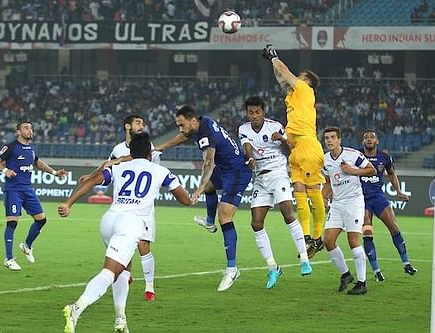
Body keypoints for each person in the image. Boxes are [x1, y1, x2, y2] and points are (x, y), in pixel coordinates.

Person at [59, 132, 191, 333]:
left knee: (124, 269)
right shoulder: (161, 171)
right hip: (130, 224)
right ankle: (76, 308)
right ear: (149, 152)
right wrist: (194, 197)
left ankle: (120, 319)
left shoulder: (118, 167)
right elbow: (184, 199)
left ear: (130, 151)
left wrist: (69, 203)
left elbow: (93, 180)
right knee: (109, 272)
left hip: (109, 220)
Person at [155, 106, 252, 292]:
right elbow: (184, 136)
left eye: (181, 125)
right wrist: (162, 147)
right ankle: (209, 222)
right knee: (210, 186)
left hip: (236, 171)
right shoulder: (201, 122)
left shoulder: (206, 133)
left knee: (224, 217)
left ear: (192, 121)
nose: (180, 129)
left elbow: (209, 162)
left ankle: (232, 269)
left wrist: (198, 188)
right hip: (225, 168)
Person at [79, 114, 162, 301]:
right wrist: (91, 175)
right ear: (127, 126)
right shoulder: (117, 148)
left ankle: (150, 287)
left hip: (143, 206)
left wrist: (124, 160)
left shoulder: (148, 148)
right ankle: (125, 273)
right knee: (124, 241)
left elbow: (148, 167)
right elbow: (107, 164)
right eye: (138, 122)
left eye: (142, 123)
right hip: (122, 206)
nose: (142, 125)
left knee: (143, 244)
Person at [238, 96, 312, 289]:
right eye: (251, 112)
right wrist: (250, 159)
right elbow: (247, 149)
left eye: (258, 112)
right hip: (260, 179)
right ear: (247, 113)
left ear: (263, 112)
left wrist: (282, 140)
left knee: (288, 214)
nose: (254, 116)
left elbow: (289, 153)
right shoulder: (243, 129)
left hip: (279, 174)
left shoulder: (275, 126)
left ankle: (304, 259)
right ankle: (273, 267)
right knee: (256, 223)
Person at [262, 44, 326, 258]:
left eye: (300, 76)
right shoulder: (294, 96)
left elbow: (285, 72)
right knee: (299, 192)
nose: (295, 78)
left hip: (308, 145)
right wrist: (272, 62)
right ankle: (307, 238)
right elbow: (281, 77)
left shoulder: (305, 90)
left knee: (313, 192)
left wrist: (274, 56)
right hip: (296, 148)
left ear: (306, 80)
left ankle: (318, 238)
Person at [0, 121, 68, 271]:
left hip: (28, 190)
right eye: (26, 128)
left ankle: (27, 245)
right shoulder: (11, 146)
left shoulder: (30, 149)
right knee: (12, 222)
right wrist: (5, 170)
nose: (30, 130)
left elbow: (38, 163)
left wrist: (54, 172)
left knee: (41, 220)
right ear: (18, 132)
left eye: (31, 128)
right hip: (13, 190)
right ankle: (8, 259)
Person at [322, 127, 376, 295]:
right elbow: (328, 182)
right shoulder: (325, 160)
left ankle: (362, 283)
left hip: (354, 202)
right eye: (326, 138)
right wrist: (324, 197)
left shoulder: (352, 155)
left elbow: (372, 170)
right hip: (337, 204)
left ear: (339, 139)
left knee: (353, 240)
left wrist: (353, 171)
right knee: (328, 241)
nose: (329, 140)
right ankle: (346, 275)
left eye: (332, 137)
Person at [360, 129, 418, 281]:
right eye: (366, 137)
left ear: (377, 141)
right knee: (367, 233)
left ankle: (406, 263)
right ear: (363, 141)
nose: (369, 139)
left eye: (372, 137)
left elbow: (391, 173)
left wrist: (398, 191)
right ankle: (376, 271)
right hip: (362, 200)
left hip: (378, 198)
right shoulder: (357, 156)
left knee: (394, 228)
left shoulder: (384, 157)